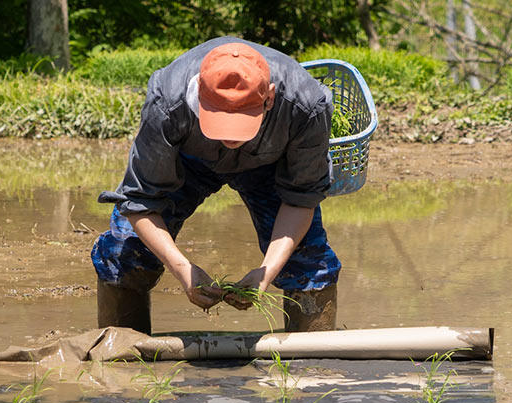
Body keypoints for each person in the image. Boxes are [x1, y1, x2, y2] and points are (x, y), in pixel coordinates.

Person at [92, 38, 339, 334]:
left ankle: (313, 359)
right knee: (124, 250)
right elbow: (140, 201)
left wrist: (266, 273)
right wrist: (183, 269)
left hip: (270, 164)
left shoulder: (307, 106)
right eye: (219, 121)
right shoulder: (167, 101)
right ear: (199, 91)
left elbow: (300, 199)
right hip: (189, 160)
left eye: (242, 123)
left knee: (309, 260)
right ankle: (121, 354)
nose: (230, 137)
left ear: (270, 98)